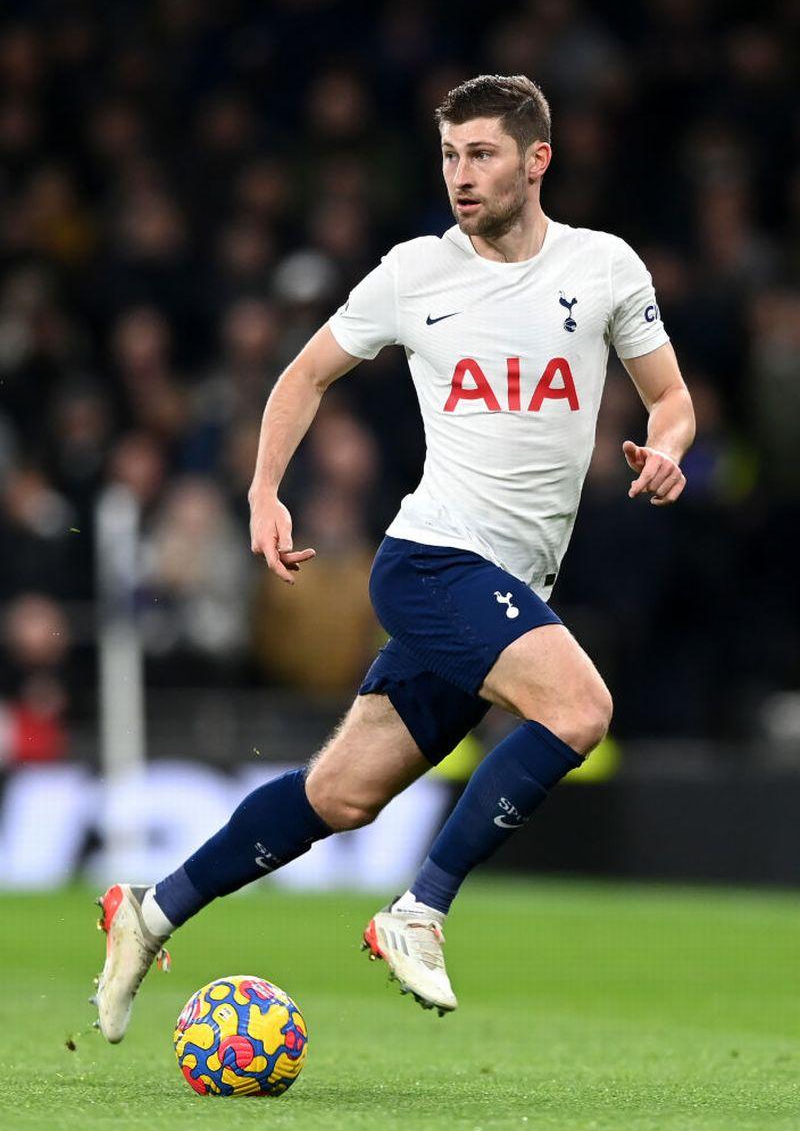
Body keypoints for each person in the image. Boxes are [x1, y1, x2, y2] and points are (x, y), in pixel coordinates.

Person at [93, 75, 694, 1041]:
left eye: (482, 154)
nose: (461, 174)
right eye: (451, 154)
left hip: (506, 587)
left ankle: (151, 909)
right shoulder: (415, 273)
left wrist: (667, 450)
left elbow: (670, 398)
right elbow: (304, 375)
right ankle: (420, 910)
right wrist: (263, 490)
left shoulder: (605, 267)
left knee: (340, 795)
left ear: (537, 160)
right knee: (581, 708)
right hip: (432, 563)